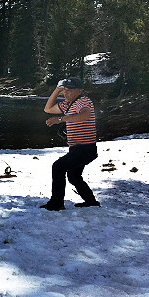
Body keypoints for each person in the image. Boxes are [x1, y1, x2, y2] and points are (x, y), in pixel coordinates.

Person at [41, 76, 100, 211]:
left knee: (58, 166)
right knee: (74, 176)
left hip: (86, 148)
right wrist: (57, 90)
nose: (65, 93)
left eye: (69, 90)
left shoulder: (84, 101)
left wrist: (61, 119)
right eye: (65, 90)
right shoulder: (67, 104)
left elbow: (85, 115)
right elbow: (48, 109)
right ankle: (91, 202)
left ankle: (56, 203)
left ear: (79, 90)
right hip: (76, 149)